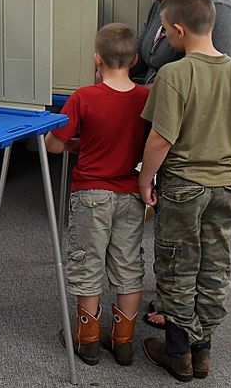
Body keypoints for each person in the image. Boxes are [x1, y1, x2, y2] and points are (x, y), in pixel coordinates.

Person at [138, 0, 231, 382]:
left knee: (177, 268)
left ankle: (178, 355)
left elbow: (160, 139)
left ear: (176, 30)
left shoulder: (173, 75)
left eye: (164, 33)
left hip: (183, 188)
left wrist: (144, 180)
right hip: (224, 187)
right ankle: (202, 351)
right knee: (213, 268)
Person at [46, 23, 149, 366]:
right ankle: (123, 342)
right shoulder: (146, 97)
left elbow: (54, 145)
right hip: (131, 193)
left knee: (87, 262)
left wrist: (77, 141)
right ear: (135, 59)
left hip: (91, 193)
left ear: (96, 59)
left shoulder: (83, 97)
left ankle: (86, 340)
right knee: (127, 264)